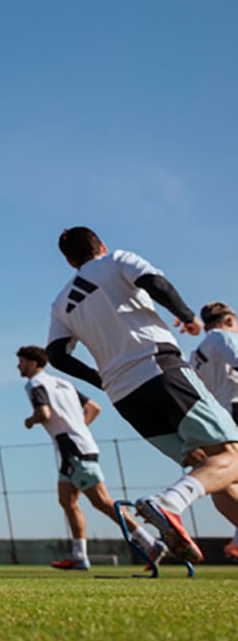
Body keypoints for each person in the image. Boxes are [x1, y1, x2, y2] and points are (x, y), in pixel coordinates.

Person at [45, 227, 238, 563]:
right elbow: (155, 283)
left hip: (125, 397)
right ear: (101, 245)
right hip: (159, 369)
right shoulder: (117, 260)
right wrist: (188, 317)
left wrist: (101, 379)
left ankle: (172, 504)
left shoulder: (62, 303)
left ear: (70, 261)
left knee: (209, 469)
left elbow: (57, 355)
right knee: (231, 456)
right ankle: (168, 503)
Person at [17, 345, 161, 569]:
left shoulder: (35, 384)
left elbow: (43, 412)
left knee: (102, 501)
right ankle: (79, 556)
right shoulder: (63, 383)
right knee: (67, 500)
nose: (19, 366)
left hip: (73, 448)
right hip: (76, 446)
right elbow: (94, 407)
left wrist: (30, 421)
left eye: (21, 362)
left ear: (33, 363)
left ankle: (150, 542)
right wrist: (79, 428)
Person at [191, 303, 238, 560]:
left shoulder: (197, 353)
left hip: (217, 420)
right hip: (234, 408)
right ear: (229, 320)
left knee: (224, 481)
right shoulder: (223, 337)